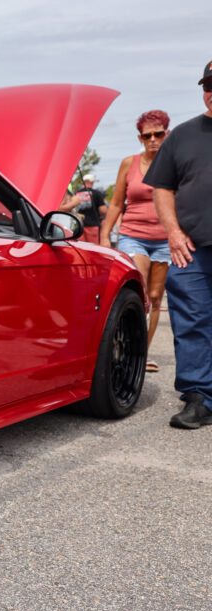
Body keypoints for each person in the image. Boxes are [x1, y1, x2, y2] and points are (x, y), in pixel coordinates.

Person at [143, 59, 212, 429]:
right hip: (191, 248)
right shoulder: (182, 136)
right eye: (208, 85)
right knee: (192, 322)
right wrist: (172, 230)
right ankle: (199, 397)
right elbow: (163, 188)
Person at [99, 110, 171, 372]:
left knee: (155, 296)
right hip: (133, 236)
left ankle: (142, 353)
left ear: (167, 134)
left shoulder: (173, 161)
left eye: (158, 133)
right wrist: (105, 236)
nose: (153, 139)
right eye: (147, 135)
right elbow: (117, 202)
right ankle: (125, 348)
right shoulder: (129, 163)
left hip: (165, 240)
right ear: (140, 138)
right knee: (139, 293)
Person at [71, 173, 106, 243]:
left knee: (81, 249)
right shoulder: (97, 193)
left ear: (83, 182)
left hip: (79, 226)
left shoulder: (77, 193)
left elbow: (73, 209)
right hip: (93, 226)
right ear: (92, 182)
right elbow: (103, 210)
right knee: (93, 249)